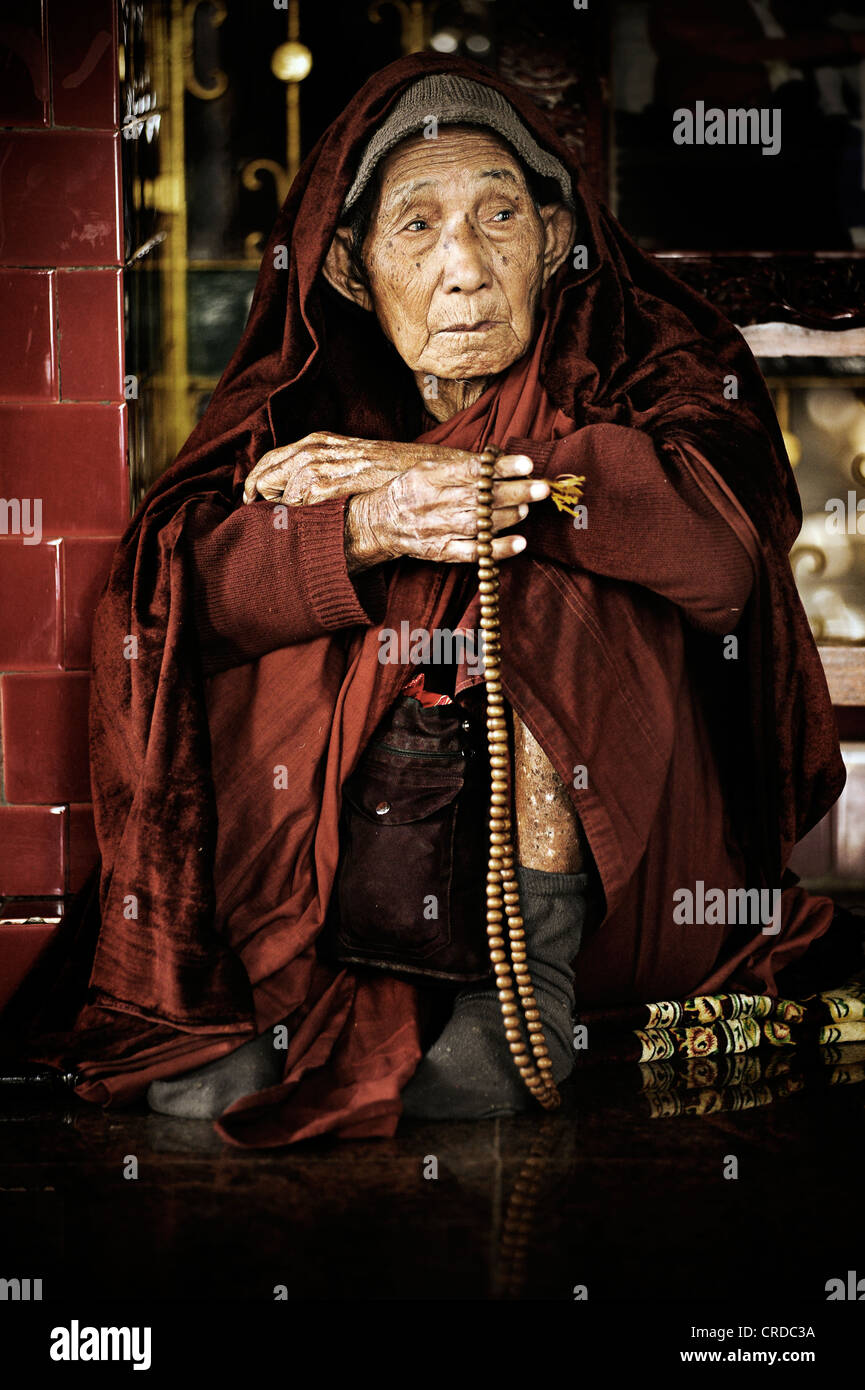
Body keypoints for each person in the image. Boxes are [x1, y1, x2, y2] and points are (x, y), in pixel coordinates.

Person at [22, 54, 846, 1144]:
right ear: (357, 272)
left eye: (499, 215)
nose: (464, 266)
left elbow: (718, 556)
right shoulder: (304, 392)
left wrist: (451, 480)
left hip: (640, 873)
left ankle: (517, 1004)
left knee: (555, 559)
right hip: (373, 878)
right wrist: (361, 524)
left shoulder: (655, 358)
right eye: (416, 226)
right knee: (273, 586)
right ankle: (291, 994)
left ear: (552, 241)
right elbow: (181, 595)